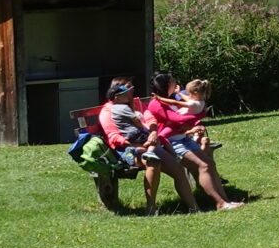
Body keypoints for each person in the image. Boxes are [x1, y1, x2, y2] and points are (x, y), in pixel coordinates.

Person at [99, 78, 197, 214]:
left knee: (178, 169)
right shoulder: (108, 111)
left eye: (132, 87)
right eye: (129, 87)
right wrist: (139, 144)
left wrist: (154, 132)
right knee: (153, 162)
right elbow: (114, 137)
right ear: (118, 92)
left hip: (149, 142)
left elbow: (150, 119)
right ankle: (151, 208)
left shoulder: (136, 103)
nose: (132, 90)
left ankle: (194, 208)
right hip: (126, 149)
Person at [146, 74, 241, 209]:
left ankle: (226, 201)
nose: (176, 82)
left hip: (184, 137)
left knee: (209, 163)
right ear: (166, 85)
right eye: (173, 81)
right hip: (170, 142)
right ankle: (220, 203)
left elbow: (199, 105)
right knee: (204, 165)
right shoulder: (156, 103)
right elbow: (179, 119)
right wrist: (198, 116)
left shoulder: (174, 97)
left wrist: (195, 119)